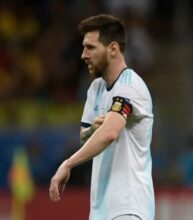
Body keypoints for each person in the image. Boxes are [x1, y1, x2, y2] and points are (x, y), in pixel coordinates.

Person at [49, 14, 154, 220]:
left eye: (90, 47)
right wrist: (92, 131)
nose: (83, 55)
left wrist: (68, 163)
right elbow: (85, 135)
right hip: (100, 210)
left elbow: (110, 132)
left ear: (113, 49)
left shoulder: (129, 86)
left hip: (128, 206)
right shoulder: (96, 89)